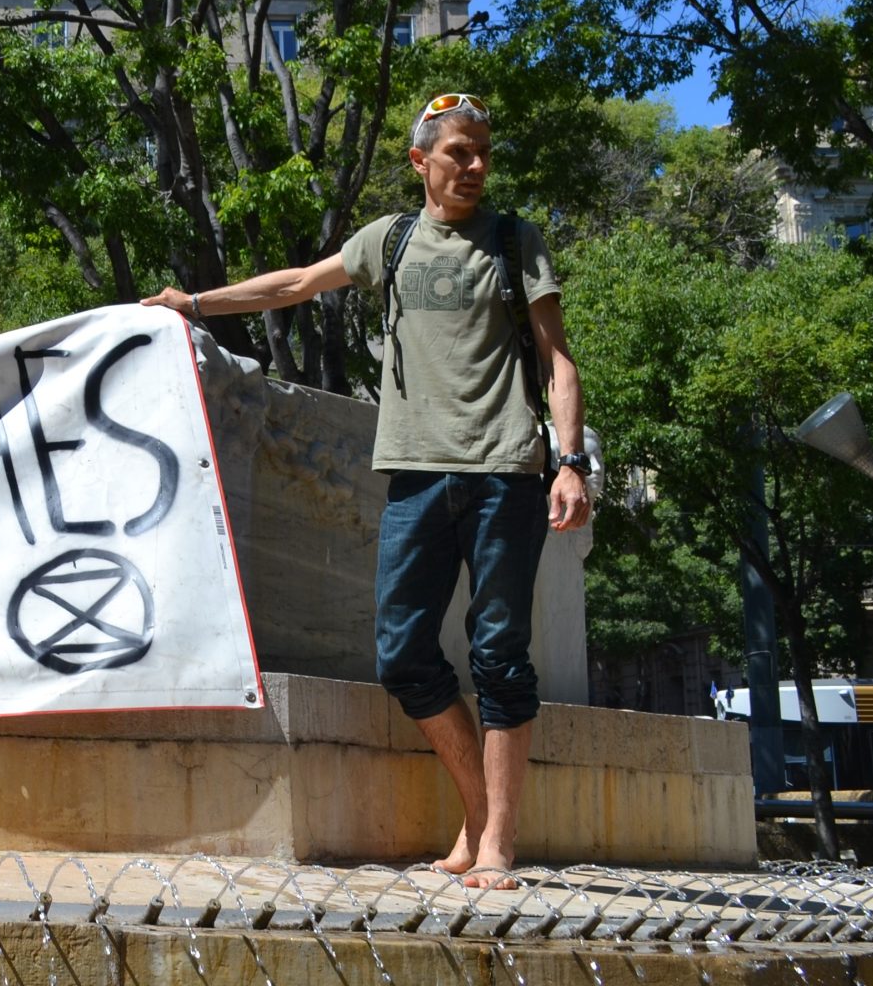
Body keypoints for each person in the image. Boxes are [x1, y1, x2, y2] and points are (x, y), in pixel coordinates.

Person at [141, 93, 591, 889]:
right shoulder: (394, 239)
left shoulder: (516, 242)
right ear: (422, 162)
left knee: (498, 657)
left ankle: (496, 845)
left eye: (484, 152)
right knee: (402, 654)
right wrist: (195, 303)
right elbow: (296, 286)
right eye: (460, 152)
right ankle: (477, 809)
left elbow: (558, 361)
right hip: (416, 474)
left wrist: (569, 462)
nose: (476, 167)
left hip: (505, 472)